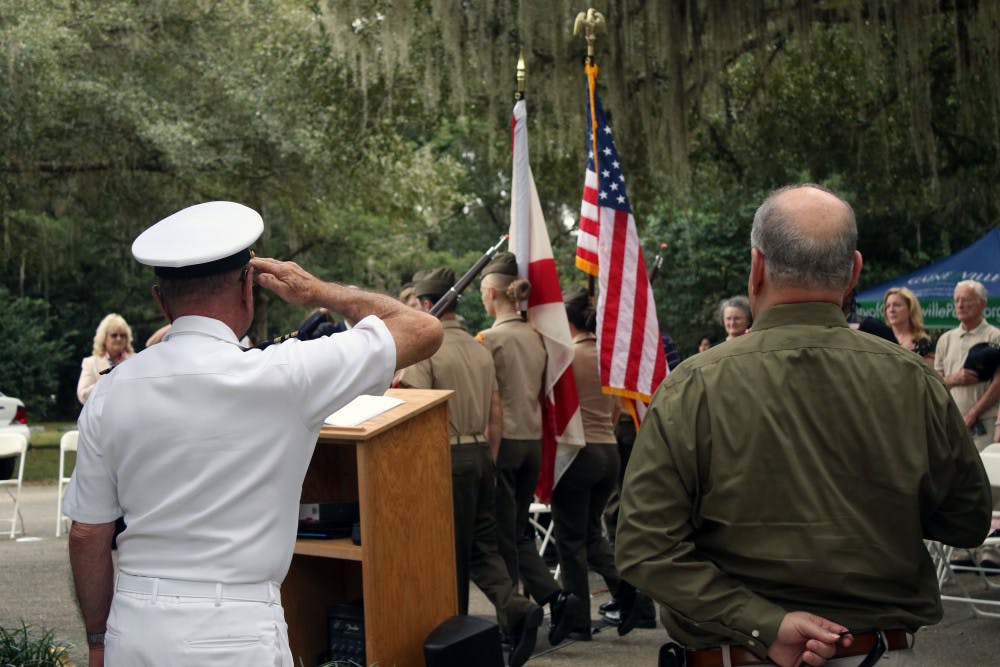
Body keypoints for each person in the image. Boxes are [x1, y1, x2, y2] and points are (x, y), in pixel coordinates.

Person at [616, 184, 992, 667]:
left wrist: (762, 622)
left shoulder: (693, 385)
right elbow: (967, 520)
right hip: (877, 651)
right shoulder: (914, 380)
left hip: (738, 653)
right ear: (853, 271)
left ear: (755, 267)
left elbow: (645, 547)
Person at [62, 201, 442, 667]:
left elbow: (87, 534)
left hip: (135, 624)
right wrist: (321, 291)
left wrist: (98, 638)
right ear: (249, 289)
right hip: (234, 627)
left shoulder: (110, 391)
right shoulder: (286, 374)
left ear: (161, 302)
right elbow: (422, 329)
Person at [397, 267, 542, 667]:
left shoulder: (426, 348)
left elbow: (407, 408)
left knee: (448, 557)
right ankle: (516, 607)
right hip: (480, 453)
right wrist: (487, 458)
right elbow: (496, 413)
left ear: (427, 305)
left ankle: (454, 645)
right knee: (482, 548)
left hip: (445, 457)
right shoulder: (478, 347)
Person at [477, 251, 583, 646]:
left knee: (501, 537)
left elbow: (489, 403)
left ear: (491, 293)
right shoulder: (537, 337)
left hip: (504, 444)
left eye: (483, 294)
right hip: (533, 442)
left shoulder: (489, 339)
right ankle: (556, 597)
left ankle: (514, 621)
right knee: (519, 532)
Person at [550, 286, 649, 639]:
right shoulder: (606, 359)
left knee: (570, 540)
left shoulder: (567, 358)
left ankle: (578, 619)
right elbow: (613, 410)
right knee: (592, 535)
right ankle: (630, 594)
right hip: (607, 450)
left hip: (580, 453)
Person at [935, 280, 1000, 450]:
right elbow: (935, 382)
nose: (960, 305)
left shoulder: (995, 337)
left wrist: (973, 414)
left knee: (985, 474)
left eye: (967, 300)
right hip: (951, 423)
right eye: (956, 300)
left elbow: (999, 383)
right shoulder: (945, 339)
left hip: (985, 423)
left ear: (983, 303)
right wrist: (956, 378)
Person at [77, 314, 134, 404]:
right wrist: (106, 383)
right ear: (104, 338)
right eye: (114, 335)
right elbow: (83, 395)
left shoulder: (137, 360)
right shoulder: (90, 363)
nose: (119, 339)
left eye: (123, 335)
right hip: (103, 416)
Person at [883, 286, 934, 364]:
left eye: (897, 305)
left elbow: (929, 375)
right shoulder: (882, 339)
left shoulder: (923, 344)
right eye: (888, 306)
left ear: (910, 309)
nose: (891, 310)